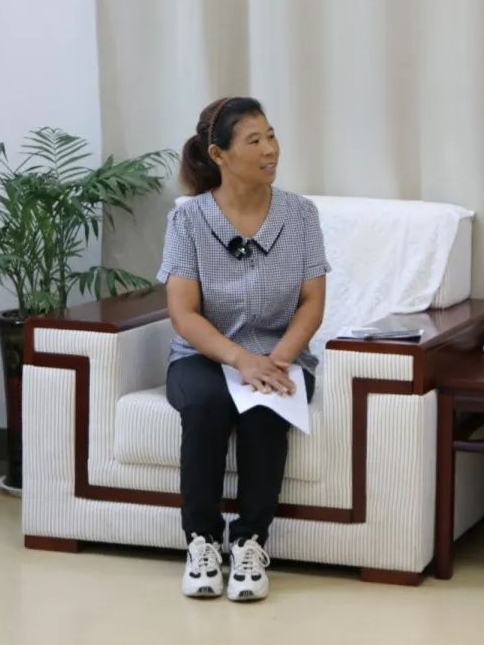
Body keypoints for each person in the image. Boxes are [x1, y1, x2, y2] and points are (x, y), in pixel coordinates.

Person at [158, 97, 329, 601]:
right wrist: (240, 359)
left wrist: (277, 362)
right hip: (203, 356)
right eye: (254, 141)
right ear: (219, 155)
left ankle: (250, 543)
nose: (270, 150)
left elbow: (312, 303)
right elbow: (184, 313)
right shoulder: (188, 220)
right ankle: (202, 542)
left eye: (271, 136)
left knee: (267, 407)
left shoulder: (301, 215)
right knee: (206, 404)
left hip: (280, 353)